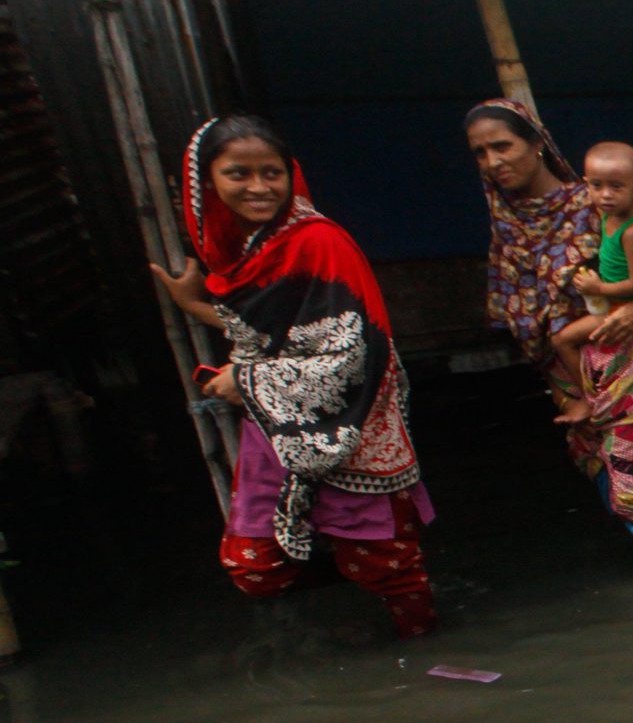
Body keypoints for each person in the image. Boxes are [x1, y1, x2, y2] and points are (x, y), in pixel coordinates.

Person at [151, 116, 436, 638]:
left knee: (388, 568)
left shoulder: (318, 241)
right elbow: (274, 329)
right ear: (206, 181)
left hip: (351, 424)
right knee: (255, 567)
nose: (259, 187)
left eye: (272, 173)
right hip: (276, 425)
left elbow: (354, 349)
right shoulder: (243, 249)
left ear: (291, 174)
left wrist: (247, 381)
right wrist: (196, 304)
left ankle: (421, 645)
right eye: (239, 174)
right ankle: (346, 574)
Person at [470, 100, 633, 573]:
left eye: (503, 146)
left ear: (537, 145)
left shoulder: (599, 202)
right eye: (480, 153)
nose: (493, 162)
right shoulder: (509, 230)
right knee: (614, 478)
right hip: (570, 380)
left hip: (626, 367)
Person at [549, 141, 633, 426]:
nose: (605, 195)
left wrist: (597, 289)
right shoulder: (612, 212)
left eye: (616, 187)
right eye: (596, 186)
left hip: (629, 304)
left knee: (561, 339)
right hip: (615, 296)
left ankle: (590, 399)